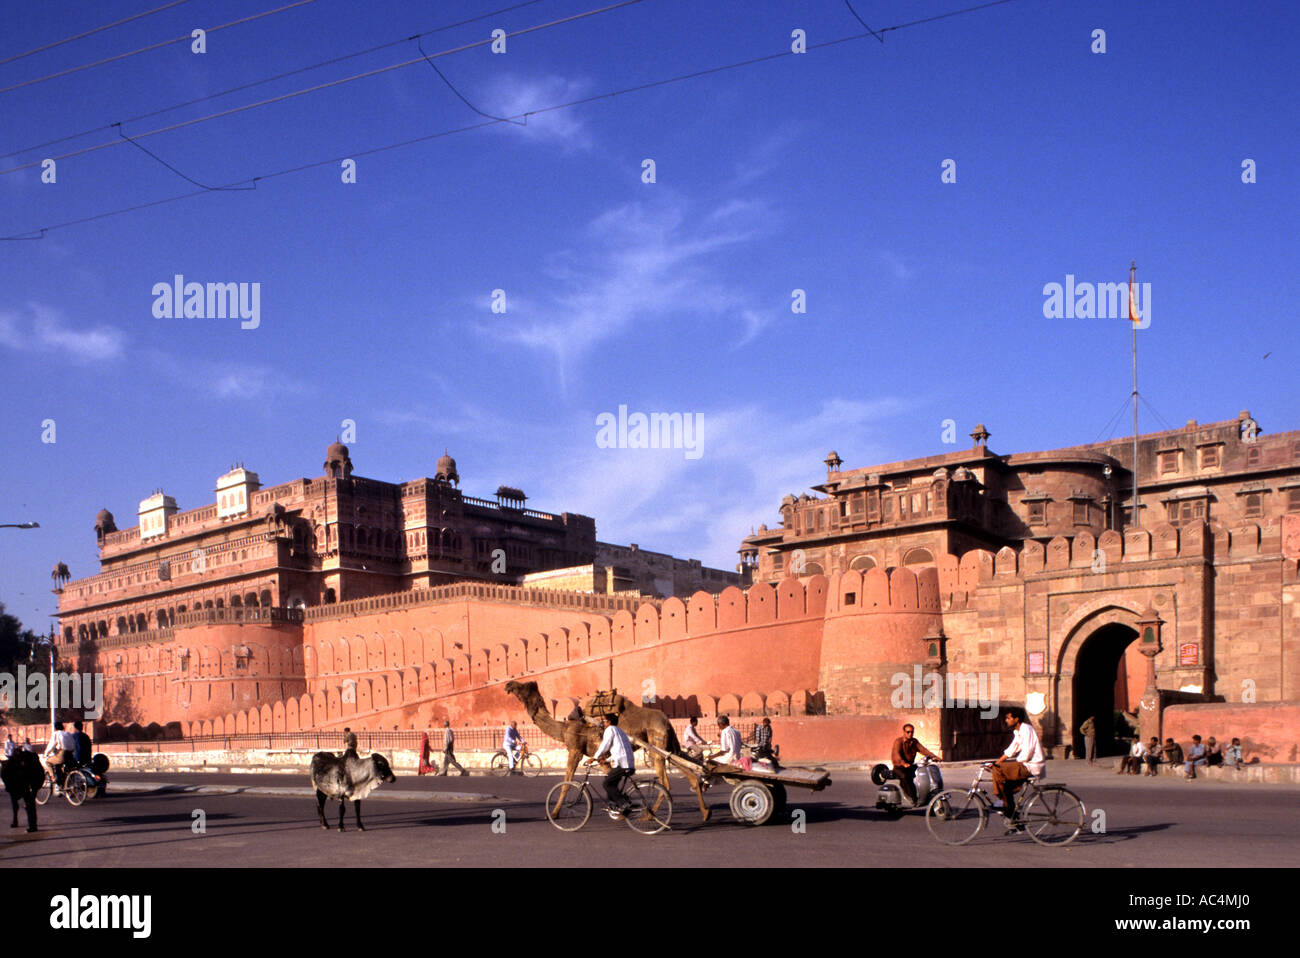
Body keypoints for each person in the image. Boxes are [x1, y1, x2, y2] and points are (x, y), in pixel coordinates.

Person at [990, 710, 1044, 828]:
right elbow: (1012, 749)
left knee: (998, 770)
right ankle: (1013, 818)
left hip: (1032, 765)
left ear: (1017, 719)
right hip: (1025, 763)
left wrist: (1008, 765)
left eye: (1009, 718)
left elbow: (1028, 751)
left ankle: (1000, 799)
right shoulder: (1018, 732)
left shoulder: (1026, 729)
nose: (1006, 720)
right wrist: (996, 762)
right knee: (1003, 780)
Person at [588, 712, 635, 814]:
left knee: (606, 784)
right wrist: (607, 760)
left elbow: (605, 745)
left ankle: (623, 803)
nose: (603, 723)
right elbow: (620, 750)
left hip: (622, 764)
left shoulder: (610, 729)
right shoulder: (620, 731)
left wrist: (594, 757)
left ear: (609, 722)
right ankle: (615, 805)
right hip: (628, 763)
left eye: (604, 721)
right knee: (610, 780)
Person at [891, 723, 939, 804]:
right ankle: (911, 797)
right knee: (905, 776)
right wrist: (903, 763)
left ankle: (924, 794)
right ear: (904, 732)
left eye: (912, 732)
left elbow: (923, 750)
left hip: (909, 766)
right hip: (899, 767)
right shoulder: (898, 742)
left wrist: (934, 756)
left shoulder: (914, 742)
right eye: (908, 732)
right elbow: (896, 754)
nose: (910, 734)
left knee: (922, 772)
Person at [44, 722, 71, 791]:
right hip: (70, 754)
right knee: (59, 766)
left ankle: (53, 777)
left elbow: (51, 745)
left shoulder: (56, 734)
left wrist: (46, 753)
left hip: (62, 754)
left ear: (55, 728)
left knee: (48, 762)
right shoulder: (68, 734)